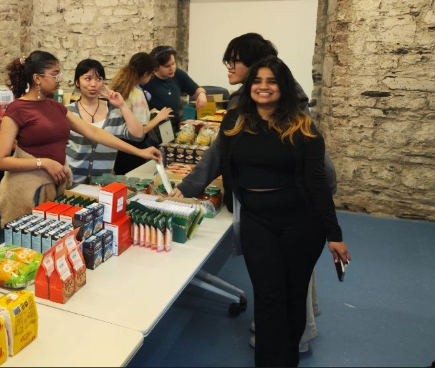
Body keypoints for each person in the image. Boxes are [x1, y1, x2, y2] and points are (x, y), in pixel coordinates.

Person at [172, 32, 336, 352]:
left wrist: (188, 186)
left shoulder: (271, 104)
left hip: (290, 207)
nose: (228, 67)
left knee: (285, 279)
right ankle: (284, 336)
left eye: (234, 60)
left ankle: (289, 341)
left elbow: (220, 152)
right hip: (281, 206)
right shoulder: (264, 98)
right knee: (282, 279)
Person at [215, 56, 351, 367]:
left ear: (283, 86)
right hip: (256, 221)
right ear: (250, 86)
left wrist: (335, 234)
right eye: (258, 81)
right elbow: (226, 163)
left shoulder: (302, 126)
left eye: (271, 81)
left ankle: (288, 359)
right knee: (268, 295)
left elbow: (317, 183)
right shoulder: (235, 121)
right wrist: (229, 200)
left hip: (301, 223)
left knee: (292, 296)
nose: (263, 87)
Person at [0, 50, 162, 226]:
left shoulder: (55, 107)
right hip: (27, 190)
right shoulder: (17, 109)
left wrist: (140, 152)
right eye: (54, 74)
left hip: (55, 186)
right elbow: (0, 160)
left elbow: (94, 133)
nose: (59, 79)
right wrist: (42, 162)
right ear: (37, 78)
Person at [66, 59, 144, 184]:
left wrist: (122, 106)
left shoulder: (113, 112)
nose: (93, 84)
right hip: (72, 182)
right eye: (87, 78)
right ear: (77, 82)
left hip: (103, 184)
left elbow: (138, 135)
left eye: (98, 79)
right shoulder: (68, 112)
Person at [109, 52, 173, 175]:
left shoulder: (121, 87)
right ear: (145, 74)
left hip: (119, 146)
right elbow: (141, 131)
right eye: (151, 75)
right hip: (133, 148)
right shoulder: (137, 94)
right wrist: (159, 117)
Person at [143, 45, 208, 130]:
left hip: (174, 127)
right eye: (167, 66)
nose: (172, 68)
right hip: (154, 129)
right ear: (156, 67)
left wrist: (201, 94)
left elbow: (196, 89)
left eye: (173, 63)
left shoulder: (177, 74)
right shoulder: (147, 80)